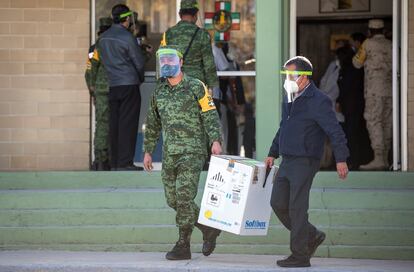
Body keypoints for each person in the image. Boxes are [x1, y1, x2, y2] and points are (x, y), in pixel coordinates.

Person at [265, 56, 349, 268]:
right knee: (277, 203)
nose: (288, 79)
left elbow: (335, 131)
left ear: (304, 77)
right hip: (287, 159)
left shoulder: (319, 100)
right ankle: (312, 235)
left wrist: (341, 158)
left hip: (305, 160)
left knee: (297, 207)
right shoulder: (289, 97)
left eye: (291, 75)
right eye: (286, 75)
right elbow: (284, 127)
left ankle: (300, 255)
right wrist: (272, 152)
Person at [143, 47, 223, 260]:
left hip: (192, 150)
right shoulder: (159, 90)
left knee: (185, 197)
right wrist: (148, 151)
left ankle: (183, 245)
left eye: (170, 59)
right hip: (170, 152)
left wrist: (215, 139)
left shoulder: (196, 86)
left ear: (181, 61)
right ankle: (208, 228)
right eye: (163, 60)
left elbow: (209, 114)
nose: (166, 63)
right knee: (173, 200)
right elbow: (152, 122)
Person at [98, 4, 145, 171]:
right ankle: (125, 162)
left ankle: (116, 162)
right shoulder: (127, 37)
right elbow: (139, 63)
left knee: (115, 125)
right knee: (128, 124)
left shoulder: (103, 39)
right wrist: (140, 78)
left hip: (113, 85)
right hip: (129, 85)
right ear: (126, 19)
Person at [353, 19, 392, 170]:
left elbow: (357, 63)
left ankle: (379, 158)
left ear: (369, 31)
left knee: (374, 121)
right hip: (390, 90)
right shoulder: (390, 44)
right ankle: (386, 158)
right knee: (387, 122)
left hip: (374, 92)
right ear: (383, 30)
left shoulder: (367, 44)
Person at [160, 0, 218, 92]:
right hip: (196, 84)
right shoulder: (202, 34)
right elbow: (208, 63)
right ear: (196, 15)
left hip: (174, 83)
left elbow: (162, 59)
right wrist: (211, 86)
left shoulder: (168, 34)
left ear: (180, 14)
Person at [336, 46, 373, 170]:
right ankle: (355, 160)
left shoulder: (349, 69)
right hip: (354, 106)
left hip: (352, 107)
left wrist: (339, 101)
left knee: (352, 135)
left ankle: (354, 161)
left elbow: (345, 87)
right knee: (354, 134)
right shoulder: (351, 68)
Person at [85, 17, 112, 171]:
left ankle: (101, 160)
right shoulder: (107, 44)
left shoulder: (94, 47)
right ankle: (105, 159)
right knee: (109, 126)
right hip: (113, 89)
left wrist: (93, 90)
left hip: (101, 91)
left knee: (102, 125)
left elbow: (89, 72)